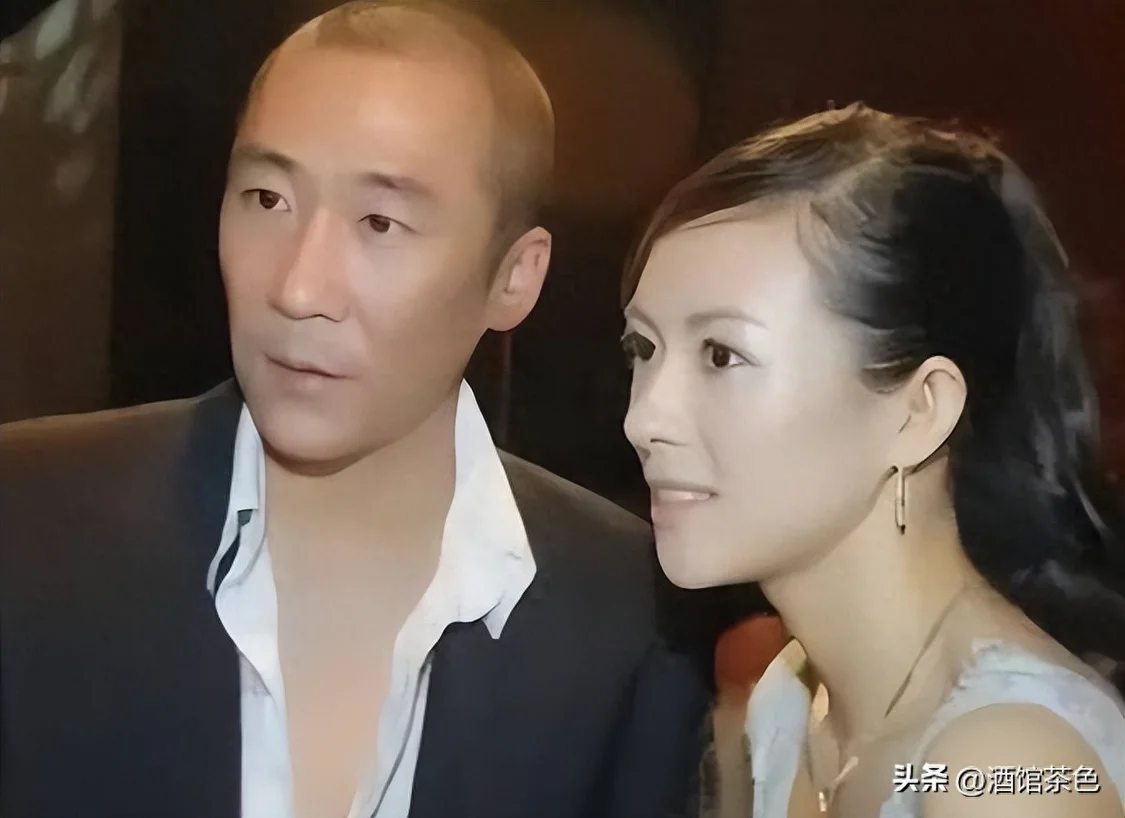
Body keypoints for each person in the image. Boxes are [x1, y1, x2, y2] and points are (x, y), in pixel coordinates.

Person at [0, 2, 715, 816]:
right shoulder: (28, 527)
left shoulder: (634, 621)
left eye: (380, 222)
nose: (298, 288)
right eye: (267, 198)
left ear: (514, 278)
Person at [620, 103, 1125, 818]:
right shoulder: (788, 705)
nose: (644, 419)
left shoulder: (1009, 769)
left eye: (722, 355)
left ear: (919, 412)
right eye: (642, 349)